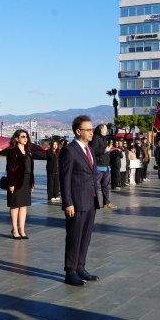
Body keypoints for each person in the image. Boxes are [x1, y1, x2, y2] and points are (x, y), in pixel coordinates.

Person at [60, 115, 100, 287]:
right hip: (76, 202)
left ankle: (81, 267)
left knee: (86, 237)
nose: (92, 132)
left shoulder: (89, 149)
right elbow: (65, 179)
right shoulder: (69, 150)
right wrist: (68, 202)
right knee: (74, 236)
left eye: (92, 129)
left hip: (90, 200)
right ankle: (70, 271)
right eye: (88, 130)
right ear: (78, 131)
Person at [6, 129, 34, 240]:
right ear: (17, 138)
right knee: (15, 205)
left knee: (23, 206)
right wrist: (11, 183)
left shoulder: (28, 151)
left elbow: (31, 169)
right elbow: (10, 169)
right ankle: (15, 229)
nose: (25, 138)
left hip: (27, 180)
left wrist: (32, 182)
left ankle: (22, 229)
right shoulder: (12, 151)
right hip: (16, 181)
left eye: (26, 136)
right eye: (23, 136)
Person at [90, 125, 115, 209]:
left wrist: (107, 149)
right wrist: (105, 150)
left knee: (106, 186)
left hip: (106, 166)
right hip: (99, 167)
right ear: (100, 130)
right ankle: (92, 203)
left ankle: (106, 203)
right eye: (105, 129)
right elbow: (93, 150)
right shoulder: (95, 138)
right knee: (94, 186)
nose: (106, 130)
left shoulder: (104, 138)